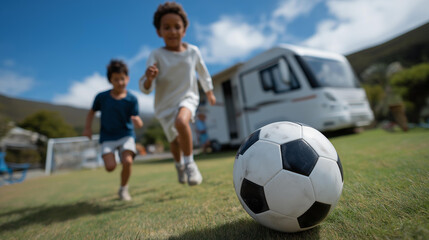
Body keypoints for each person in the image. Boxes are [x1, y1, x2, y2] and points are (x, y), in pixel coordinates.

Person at [139, 2, 216, 186]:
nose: (172, 31)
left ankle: (190, 164)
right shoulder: (156, 55)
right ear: (159, 32)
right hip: (164, 105)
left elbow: (203, 73)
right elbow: (145, 87)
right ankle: (179, 165)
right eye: (167, 27)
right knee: (174, 142)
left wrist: (210, 92)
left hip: (188, 97)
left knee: (181, 122)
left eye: (177, 27)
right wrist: (149, 78)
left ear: (184, 30)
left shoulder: (193, 52)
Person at [84, 60, 143, 201]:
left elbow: (138, 121)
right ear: (110, 80)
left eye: (122, 79)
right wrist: (87, 128)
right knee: (110, 167)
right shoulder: (102, 97)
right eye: (116, 79)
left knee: (127, 161)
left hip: (126, 134)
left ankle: (123, 189)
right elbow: (91, 112)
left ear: (127, 78)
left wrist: (138, 122)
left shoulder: (131, 99)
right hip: (108, 136)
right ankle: (114, 157)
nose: (120, 82)